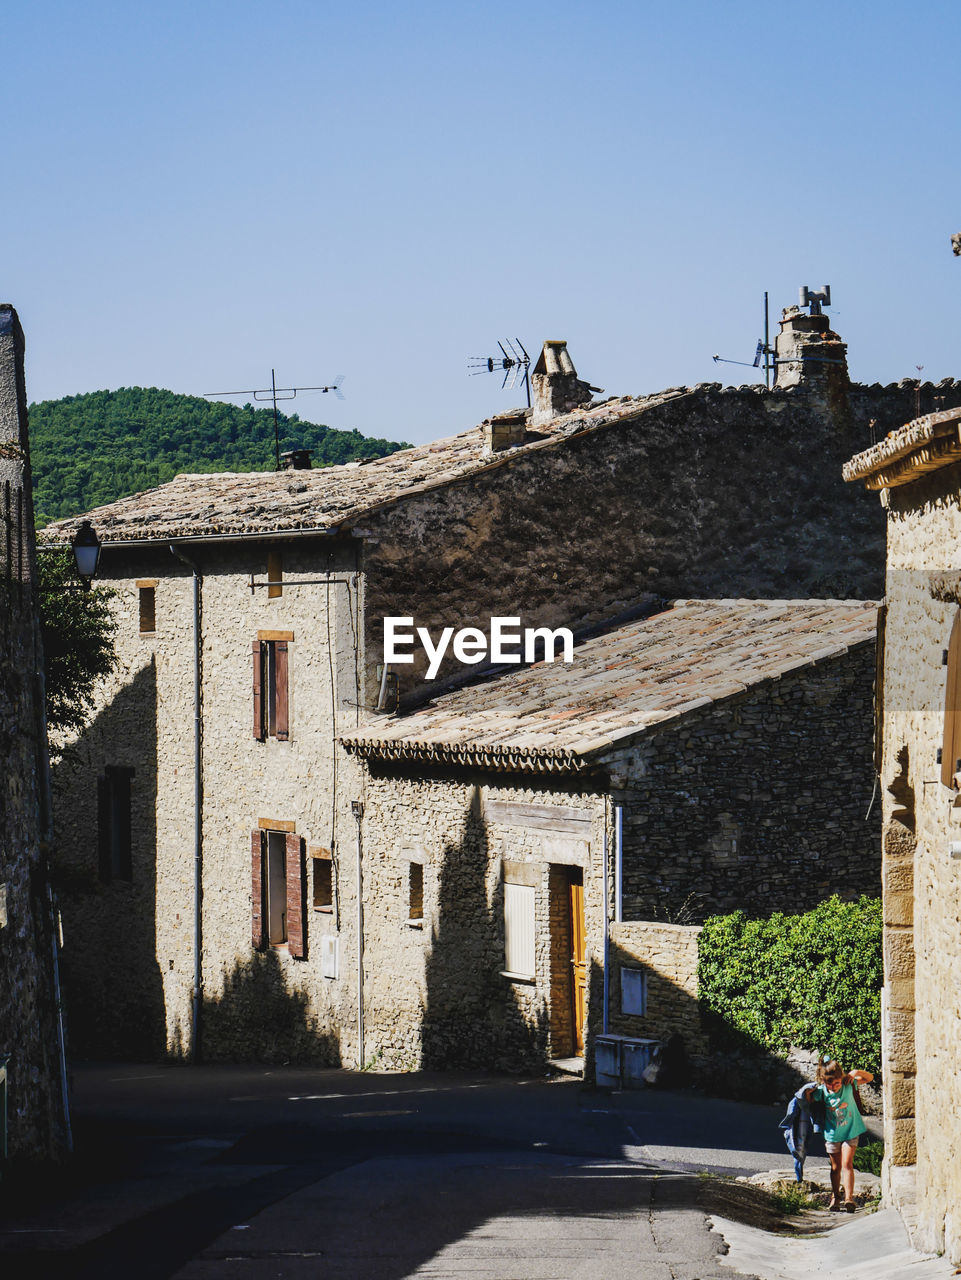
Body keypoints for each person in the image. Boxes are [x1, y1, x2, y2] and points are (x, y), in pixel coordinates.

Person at [803, 1056, 874, 1212]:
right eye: (829, 1083)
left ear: (842, 1078)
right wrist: (808, 1093)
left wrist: (855, 1072)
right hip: (832, 1133)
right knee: (835, 1168)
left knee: (847, 1164)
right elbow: (809, 1102)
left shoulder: (848, 1084)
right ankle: (835, 1197)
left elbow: (869, 1078)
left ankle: (849, 1198)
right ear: (823, 1080)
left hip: (851, 1130)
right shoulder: (822, 1091)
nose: (834, 1087)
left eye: (837, 1083)